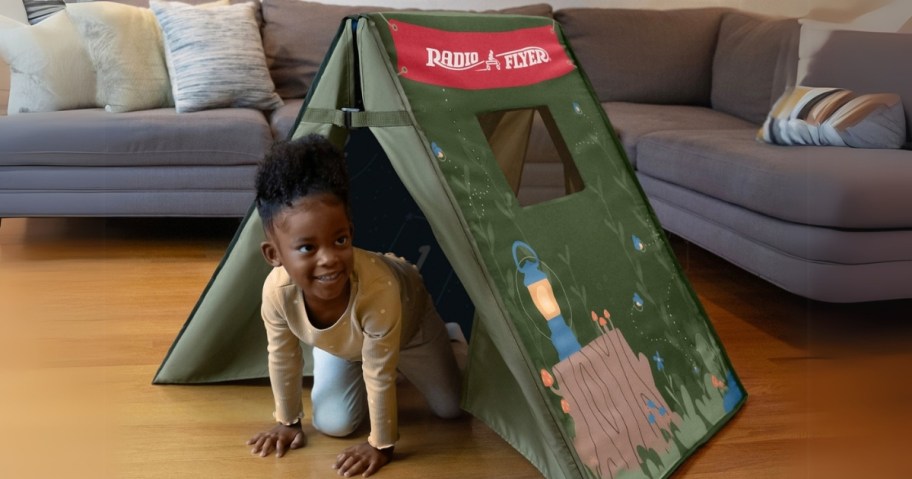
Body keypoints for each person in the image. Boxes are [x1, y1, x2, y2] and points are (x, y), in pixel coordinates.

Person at [246, 134, 463, 477]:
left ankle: (448, 337)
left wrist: (381, 443)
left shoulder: (379, 289)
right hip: (348, 343)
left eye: (340, 240)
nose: (330, 259)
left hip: (408, 327)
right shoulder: (278, 293)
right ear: (275, 255)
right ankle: (341, 350)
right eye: (307, 248)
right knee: (334, 424)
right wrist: (288, 422)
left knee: (451, 408)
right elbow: (283, 355)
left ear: (351, 231)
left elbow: (380, 371)